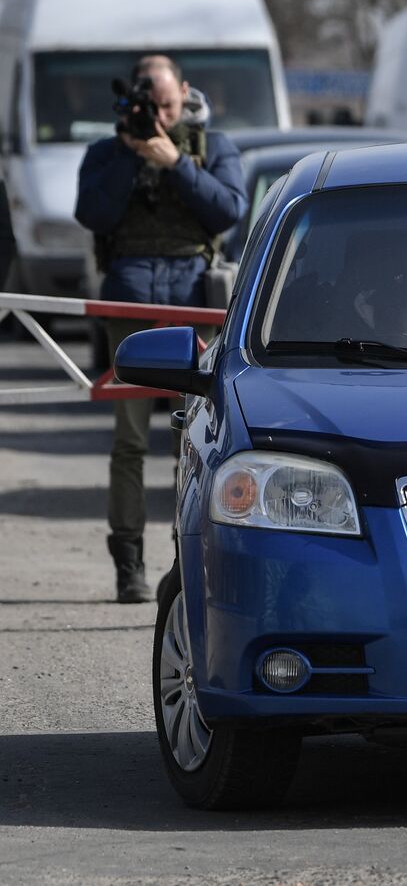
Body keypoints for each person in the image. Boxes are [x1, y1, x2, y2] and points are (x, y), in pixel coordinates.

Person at [74, 55, 246, 603]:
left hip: (191, 305)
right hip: (128, 300)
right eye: (153, 108)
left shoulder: (210, 146)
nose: (162, 116)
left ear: (185, 95)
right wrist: (130, 155)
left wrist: (176, 163)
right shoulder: (106, 152)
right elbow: (93, 214)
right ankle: (129, 562)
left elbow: (228, 211)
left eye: (170, 106)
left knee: (188, 440)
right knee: (128, 441)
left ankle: (187, 557)